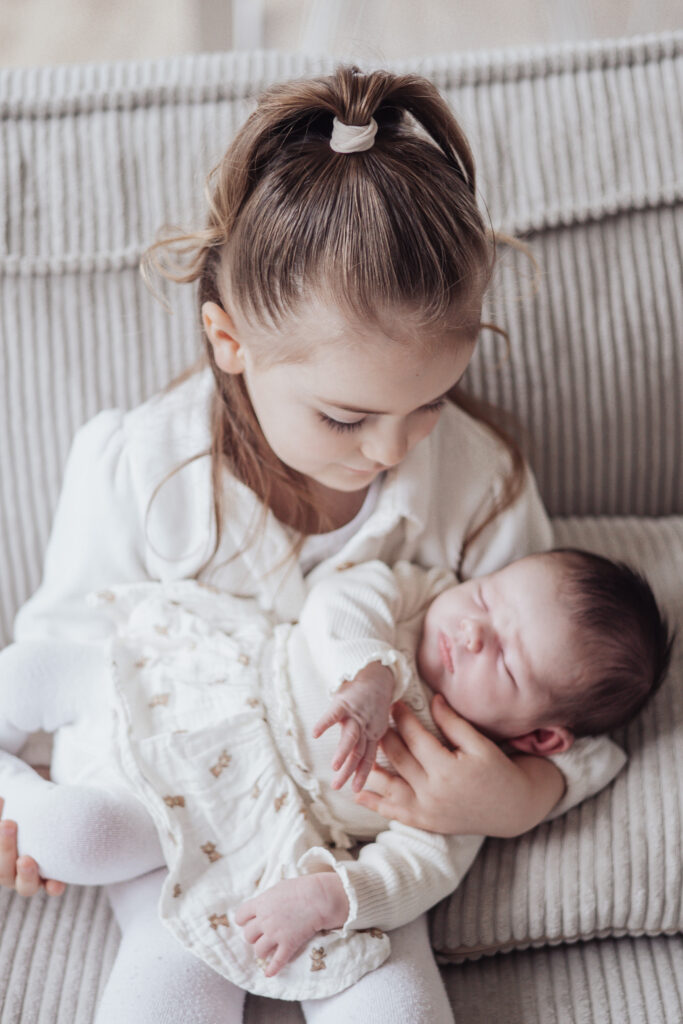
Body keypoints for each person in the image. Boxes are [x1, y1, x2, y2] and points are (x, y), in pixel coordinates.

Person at [0, 65, 629, 1023]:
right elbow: (45, 669)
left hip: (352, 841)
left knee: (401, 1005)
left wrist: (514, 797)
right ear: (230, 340)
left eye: (428, 404)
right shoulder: (141, 467)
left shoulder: (474, 478)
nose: (388, 450)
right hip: (170, 795)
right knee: (168, 976)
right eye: (346, 417)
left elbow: (565, 681)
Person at [0, 549, 672, 1001]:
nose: (470, 629)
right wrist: (371, 674)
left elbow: (418, 872)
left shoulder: (462, 784)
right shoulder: (412, 605)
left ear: (538, 736)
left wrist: (329, 896)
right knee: (26, 669)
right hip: (192, 685)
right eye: (486, 597)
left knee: (75, 835)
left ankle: (22, 794)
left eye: (503, 657)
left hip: (225, 816)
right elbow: (345, 598)